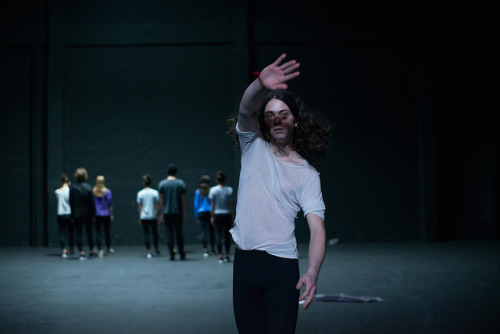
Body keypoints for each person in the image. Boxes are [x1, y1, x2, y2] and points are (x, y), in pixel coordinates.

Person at [229, 54, 330, 333]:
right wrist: (260, 83)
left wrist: (312, 271)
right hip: (244, 264)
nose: (277, 120)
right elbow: (246, 108)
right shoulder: (252, 146)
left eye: (284, 114)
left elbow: (317, 229)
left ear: (295, 121)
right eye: (270, 115)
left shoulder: (307, 174)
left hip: (281, 267)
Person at [158, 163, 187, 260]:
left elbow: (161, 200)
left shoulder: (162, 184)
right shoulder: (180, 183)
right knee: (179, 233)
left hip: (167, 212)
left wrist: (161, 213)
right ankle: (182, 253)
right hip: (178, 212)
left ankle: (172, 253)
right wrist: (183, 213)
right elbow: (183, 200)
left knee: (169, 233)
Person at [70, 167, 96, 260]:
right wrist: (94, 214)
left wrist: (72, 215)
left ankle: (81, 251)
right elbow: (92, 203)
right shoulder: (88, 188)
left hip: (77, 214)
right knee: (89, 232)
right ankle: (91, 250)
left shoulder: (72, 188)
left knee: (79, 233)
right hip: (88, 214)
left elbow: (71, 203)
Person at [209, 171, 234, 263]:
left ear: (217, 180)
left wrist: (211, 216)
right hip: (227, 214)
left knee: (218, 234)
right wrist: (233, 216)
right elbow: (231, 205)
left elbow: (212, 205)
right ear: (225, 180)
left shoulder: (213, 190)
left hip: (217, 214)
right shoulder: (229, 190)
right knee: (227, 235)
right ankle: (227, 254)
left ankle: (220, 255)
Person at [137, 174, 161, 258]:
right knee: (155, 233)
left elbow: (139, 206)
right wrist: (158, 215)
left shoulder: (140, 193)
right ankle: (156, 249)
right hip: (153, 215)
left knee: (146, 233)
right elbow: (157, 206)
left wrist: (139, 217)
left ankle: (148, 251)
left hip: (144, 216)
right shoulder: (155, 192)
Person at [194, 175, 215, 257]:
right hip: (210, 212)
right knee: (212, 231)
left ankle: (205, 250)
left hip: (201, 212)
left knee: (203, 231)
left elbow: (195, 204)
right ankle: (213, 249)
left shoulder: (198, 191)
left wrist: (196, 216)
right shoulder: (211, 190)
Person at [93, 175, 114, 257]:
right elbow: (110, 205)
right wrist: (111, 214)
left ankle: (100, 249)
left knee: (98, 232)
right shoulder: (107, 192)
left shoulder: (93, 191)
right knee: (107, 232)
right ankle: (108, 248)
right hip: (106, 214)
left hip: (97, 214)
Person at [54, 173, 74, 258]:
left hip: (60, 214)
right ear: (68, 182)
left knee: (62, 232)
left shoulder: (57, 192)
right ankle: (72, 247)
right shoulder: (70, 191)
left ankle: (64, 250)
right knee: (71, 232)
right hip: (69, 213)